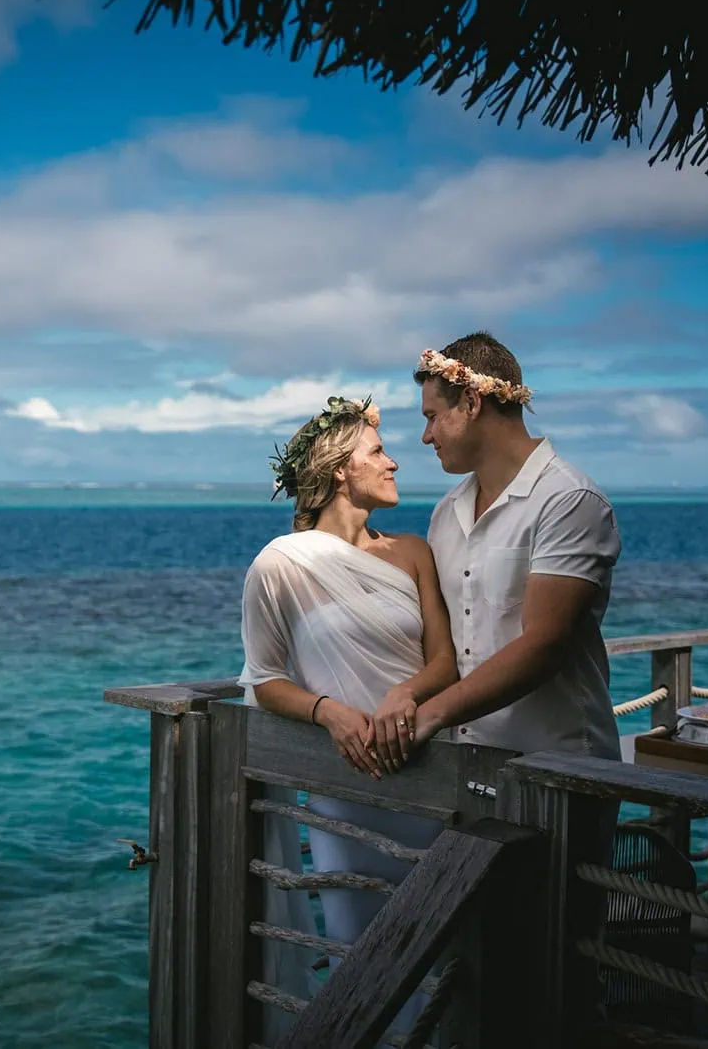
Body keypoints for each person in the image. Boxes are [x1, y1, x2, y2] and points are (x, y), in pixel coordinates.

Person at [368, 333, 622, 888]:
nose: (425, 436)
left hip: (558, 771)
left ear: (471, 402)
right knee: (476, 934)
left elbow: (544, 644)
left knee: (558, 936)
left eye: (432, 417)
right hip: (467, 773)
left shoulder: (569, 500)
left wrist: (430, 715)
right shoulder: (446, 512)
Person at [238, 395, 458, 1035]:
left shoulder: (413, 552)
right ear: (340, 470)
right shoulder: (281, 564)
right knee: (360, 953)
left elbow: (445, 662)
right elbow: (264, 679)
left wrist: (406, 694)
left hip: (430, 773)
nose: (394, 463)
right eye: (378, 452)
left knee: (443, 948)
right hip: (347, 786)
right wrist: (329, 713)